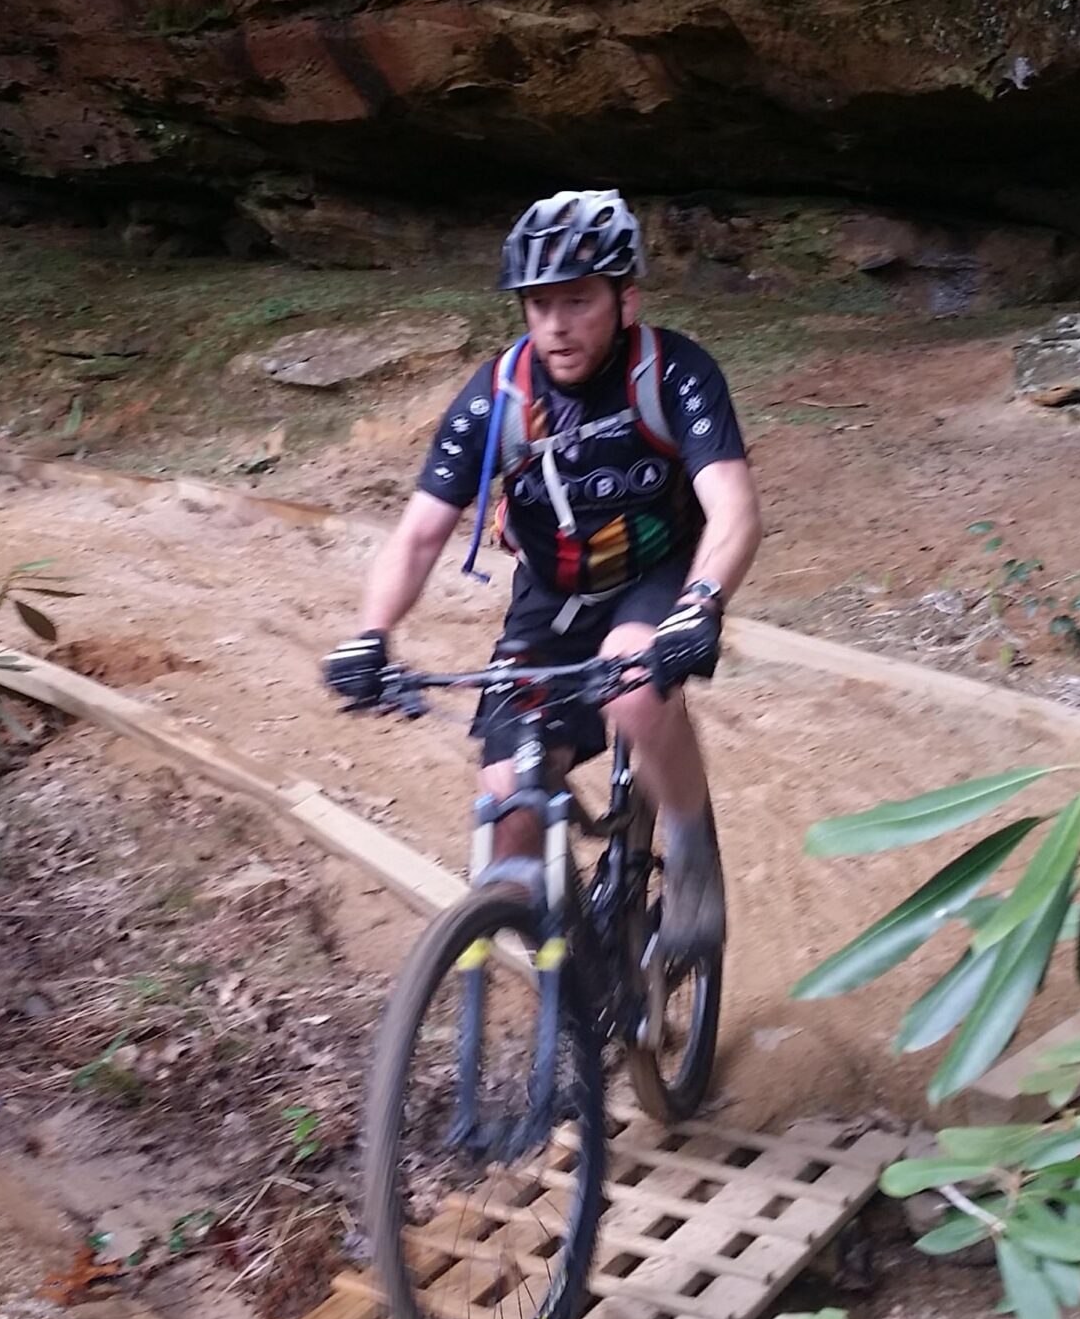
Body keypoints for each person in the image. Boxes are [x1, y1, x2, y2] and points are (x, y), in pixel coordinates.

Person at [322, 189, 761, 966]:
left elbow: (731, 508)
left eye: (577, 300)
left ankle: (693, 857)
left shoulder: (675, 371)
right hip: (550, 602)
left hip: (654, 576)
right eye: (537, 304)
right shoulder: (498, 397)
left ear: (625, 299)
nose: (555, 324)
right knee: (505, 803)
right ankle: (569, 976)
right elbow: (421, 531)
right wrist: (371, 634)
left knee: (632, 685)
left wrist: (702, 603)